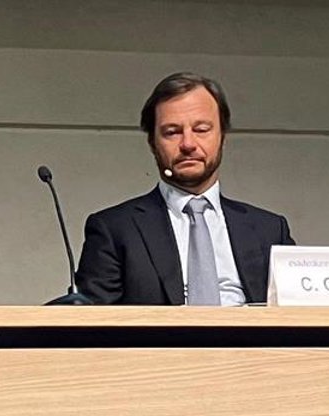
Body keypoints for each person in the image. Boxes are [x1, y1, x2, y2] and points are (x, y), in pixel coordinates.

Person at [77, 72, 295, 305]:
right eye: (172, 132)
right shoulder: (114, 229)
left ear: (222, 137)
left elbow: (300, 309)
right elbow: (91, 318)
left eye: (201, 129)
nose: (188, 144)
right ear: (152, 143)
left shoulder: (270, 230)